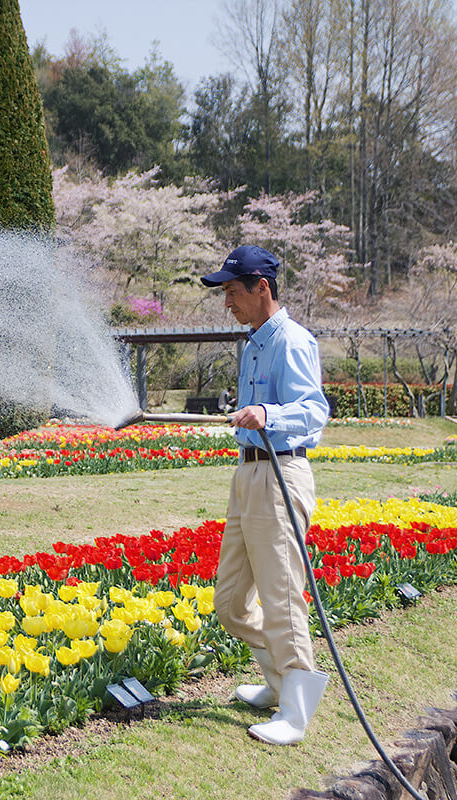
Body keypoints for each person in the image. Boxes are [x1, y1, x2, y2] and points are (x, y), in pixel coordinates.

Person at [200, 244, 331, 746]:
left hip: (282, 475)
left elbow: (314, 412)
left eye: (233, 291)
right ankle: (280, 680)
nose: (227, 302)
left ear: (263, 289)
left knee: (281, 597)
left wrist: (269, 416)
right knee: (231, 603)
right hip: (247, 474)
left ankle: (296, 715)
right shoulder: (254, 342)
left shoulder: (293, 341)